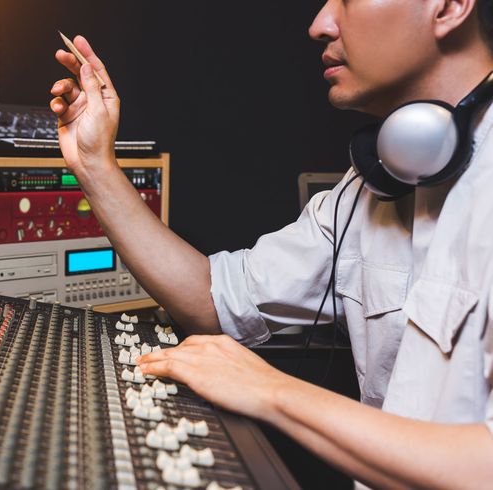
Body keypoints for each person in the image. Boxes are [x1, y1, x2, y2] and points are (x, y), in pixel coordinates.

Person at [49, 0, 493, 487]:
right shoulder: (370, 187)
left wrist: (270, 391)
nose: (319, 25)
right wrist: (94, 165)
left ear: (449, 6)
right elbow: (215, 299)